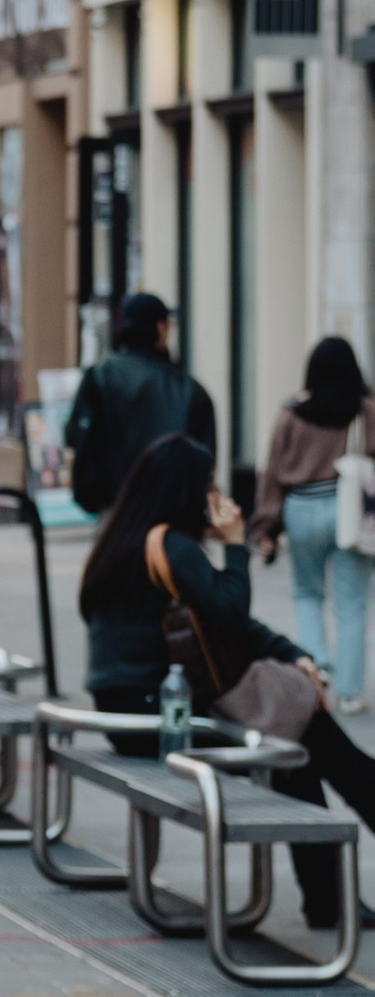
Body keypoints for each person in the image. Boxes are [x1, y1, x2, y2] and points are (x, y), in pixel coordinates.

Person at [78, 432, 375, 923]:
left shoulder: (125, 539)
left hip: (133, 713)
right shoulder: (171, 544)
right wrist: (237, 546)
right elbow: (231, 612)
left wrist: (295, 654)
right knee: (307, 736)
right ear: (184, 491)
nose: (216, 500)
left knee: (297, 744)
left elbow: (222, 623)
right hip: (159, 717)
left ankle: (328, 899)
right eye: (208, 487)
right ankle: (328, 898)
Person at [251, 335, 375, 716]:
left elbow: (273, 470)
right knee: (351, 604)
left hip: (302, 508)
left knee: (307, 593)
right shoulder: (364, 411)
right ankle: (350, 693)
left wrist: (265, 528)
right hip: (348, 510)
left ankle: (315, 669)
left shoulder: (292, 411)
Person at [66, 294, 216, 515]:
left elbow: (75, 436)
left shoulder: (100, 377)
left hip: (114, 511)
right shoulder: (189, 390)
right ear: (160, 328)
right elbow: (204, 461)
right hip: (172, 516)